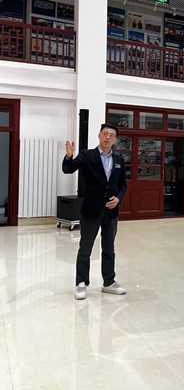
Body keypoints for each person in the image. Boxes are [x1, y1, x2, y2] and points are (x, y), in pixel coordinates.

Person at [62, 124, 127, 300]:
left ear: (115, 140)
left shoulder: (119, 160)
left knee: (109, 248)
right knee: (85, 248)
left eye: (111, 135)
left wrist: (118, 199)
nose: (107, 137)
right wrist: (69, 156)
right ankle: (81, 283)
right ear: (99, 136)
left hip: (111, 211)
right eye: (105, 134)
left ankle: (109, 282)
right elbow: (68, 169)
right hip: (91, 209)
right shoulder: (86, 155)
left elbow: (123, 185)